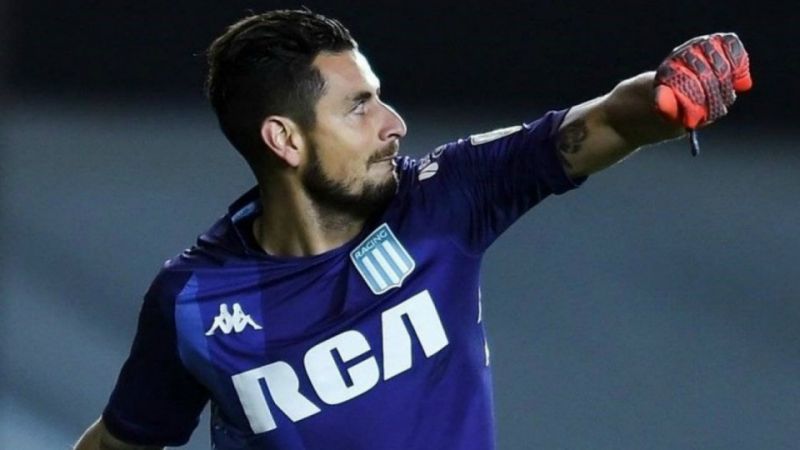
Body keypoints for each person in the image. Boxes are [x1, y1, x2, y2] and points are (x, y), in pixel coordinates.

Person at [74, 9, 751, 450]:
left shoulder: (445, 199)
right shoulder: (193, 302)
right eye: (359, 107)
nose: (393, 124)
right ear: (285, 139)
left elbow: (605, 122)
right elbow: (121, 441)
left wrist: (666, 97)